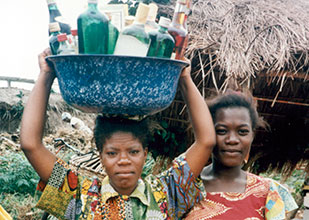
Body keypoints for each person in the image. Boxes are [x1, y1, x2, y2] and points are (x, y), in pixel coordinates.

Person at [20, 48, 216, 219]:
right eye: (112, 153)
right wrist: (46, 75)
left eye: (133, 152)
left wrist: (184, 79)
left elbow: (206, 141)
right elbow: (31, 145)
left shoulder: (166, 193)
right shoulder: (80, 195)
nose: (123, 160)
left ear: (145, 154)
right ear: (100, 156)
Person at [184, 91, 298, 219]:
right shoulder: (183, 187)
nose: (232, 139)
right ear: (209, 134)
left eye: (242, 131)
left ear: (252, 136)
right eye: (222, 131)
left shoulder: (268, 192)